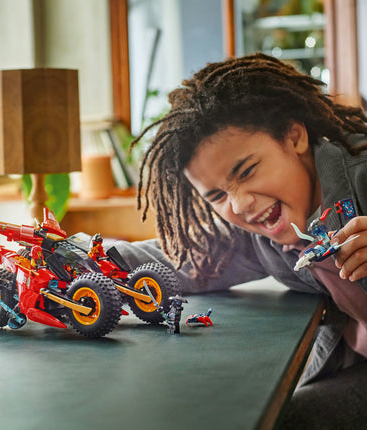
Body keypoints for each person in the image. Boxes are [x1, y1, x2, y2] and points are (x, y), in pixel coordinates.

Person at [113, 53, 367, 428]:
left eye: (247, 171)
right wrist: (68, 255)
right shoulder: (257, 236)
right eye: (217, 196)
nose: (240, 204)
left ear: (294, 136)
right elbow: (178, 260)